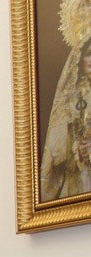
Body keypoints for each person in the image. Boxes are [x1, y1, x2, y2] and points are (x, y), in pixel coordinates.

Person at [41, 37, 91, 202]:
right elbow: (57, 149)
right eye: (89, 54)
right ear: (79, 57)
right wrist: (76, 150)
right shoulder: (70, 98)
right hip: (78, 178)